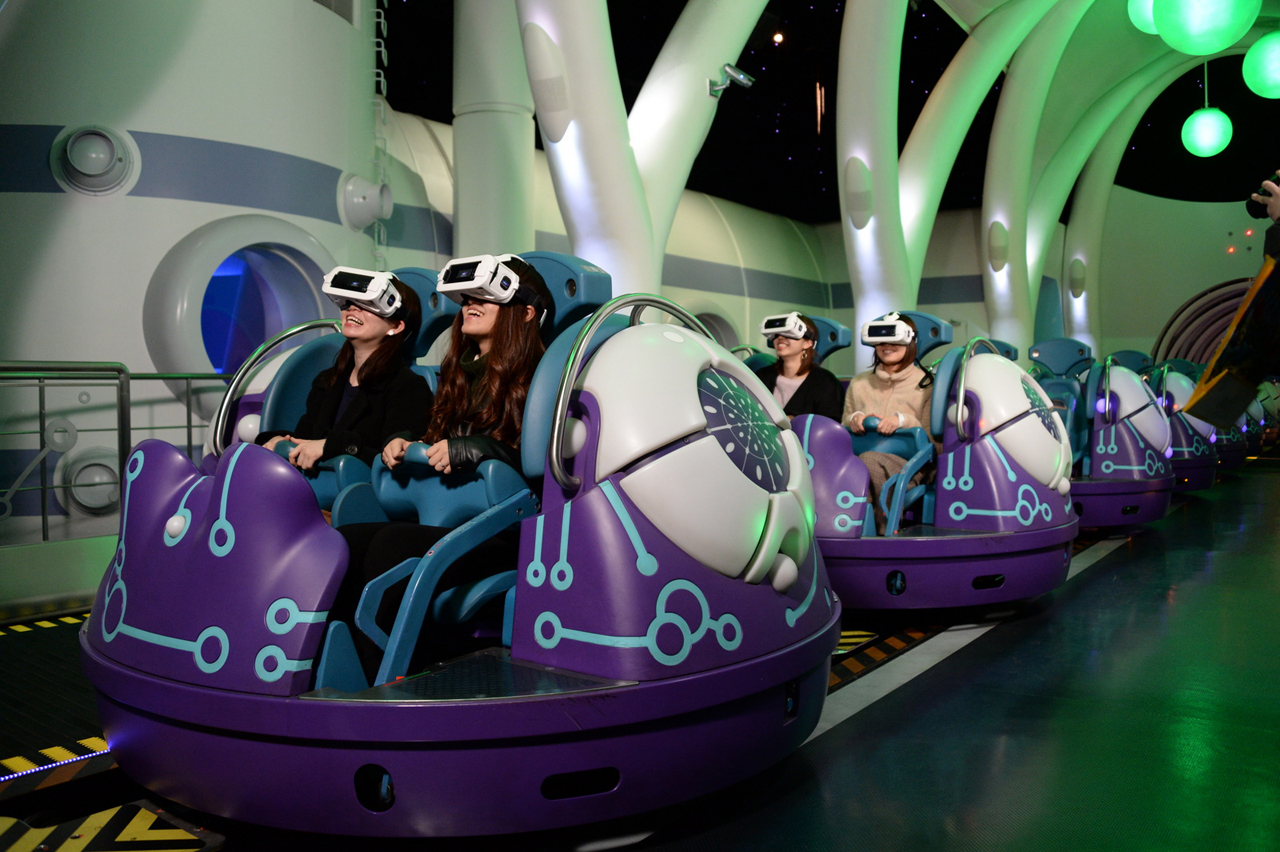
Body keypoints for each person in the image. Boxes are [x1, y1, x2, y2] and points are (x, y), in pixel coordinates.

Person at [335, 254, 553, 683]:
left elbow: (543, 471)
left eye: (485, 297)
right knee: (348, 539)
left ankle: (391, 678)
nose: (470, 303)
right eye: (467, 297)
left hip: (505, 535)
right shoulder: (457, 373)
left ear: (526, 313)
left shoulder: (543, 380)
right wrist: (408, 443)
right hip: (450, 525)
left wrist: (482, 450)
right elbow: (437, 441)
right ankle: (343, 669)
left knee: (392, 544)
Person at [255, 267, 431, 471]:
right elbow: (307, 440)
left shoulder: (408, 387)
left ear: (396, 326)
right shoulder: (327, 381)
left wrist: (336, 446)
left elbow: (394, 461)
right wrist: (278, 440)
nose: (353, 308)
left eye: (369, 303)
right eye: (351, 301)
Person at [842, 312, 935, 533]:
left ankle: (882, 531)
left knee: (868, 460)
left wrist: (903, 421)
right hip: (860, 457)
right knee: (852, 463)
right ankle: (846, 531)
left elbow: (933, 442)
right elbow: (843, 425)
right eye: (881, 341)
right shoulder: (859, 383)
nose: (887, 346)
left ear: (910, 341)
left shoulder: (926, 384)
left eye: (895, 340)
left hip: (909, 466)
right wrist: (853, 419)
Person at [753, 312, 844, 421]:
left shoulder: (825, 382)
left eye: (788, 333)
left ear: (808, 343)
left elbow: (828, 424)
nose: (780, 337)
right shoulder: (762, 376)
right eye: (777, 334)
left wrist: (795, 420)